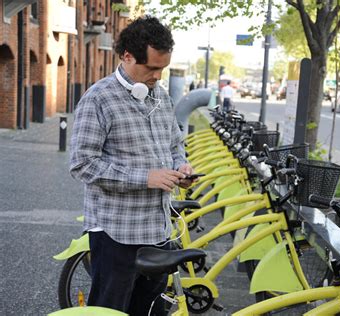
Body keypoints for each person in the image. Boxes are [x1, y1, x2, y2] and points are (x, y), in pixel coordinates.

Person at [69, 16, 196, 316]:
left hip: (158, 231)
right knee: (111, 311)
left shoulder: (160, 97)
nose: (157, 76)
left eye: (162, 69)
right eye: (151, 68)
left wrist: (182, 167)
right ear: (126, 55)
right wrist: (146, 177)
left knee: (149, 311)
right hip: (117, 235)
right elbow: (82, 164)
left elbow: (174, 145)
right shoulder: (98, 99)